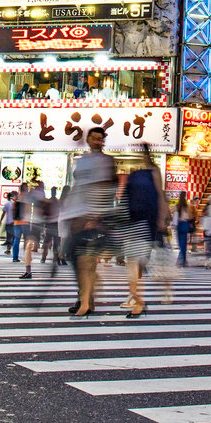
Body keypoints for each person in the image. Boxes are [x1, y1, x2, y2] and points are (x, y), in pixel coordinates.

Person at [62, 129, 118, 317]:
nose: (96, 142)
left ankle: (85, 299)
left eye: (100, 139)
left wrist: (95, 216)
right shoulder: (82, 160)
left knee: (84, 259)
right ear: (88, 139)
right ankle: (87, 297)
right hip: (77, 214)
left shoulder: (105, 161)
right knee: (75, 257)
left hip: (92, 216)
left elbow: (105, 188)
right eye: (94, 138)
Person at [118, 146, 163, 317]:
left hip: (146, 222)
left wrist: (160, 219)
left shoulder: (153, 172)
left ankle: (138, 300)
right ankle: (135, 297)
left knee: (138, 262)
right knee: (132, 262)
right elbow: (125, 199)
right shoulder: (134, 175)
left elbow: (160, 195)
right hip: (133, 221)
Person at [173, 194, 194, 268]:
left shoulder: (177, 206)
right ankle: (183, 260)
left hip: (179, 224)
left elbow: (174, 216)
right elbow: (190, 217)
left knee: (180, 243)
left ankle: (181, 260)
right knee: (184, 243)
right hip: (185, 224)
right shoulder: (187, 207)